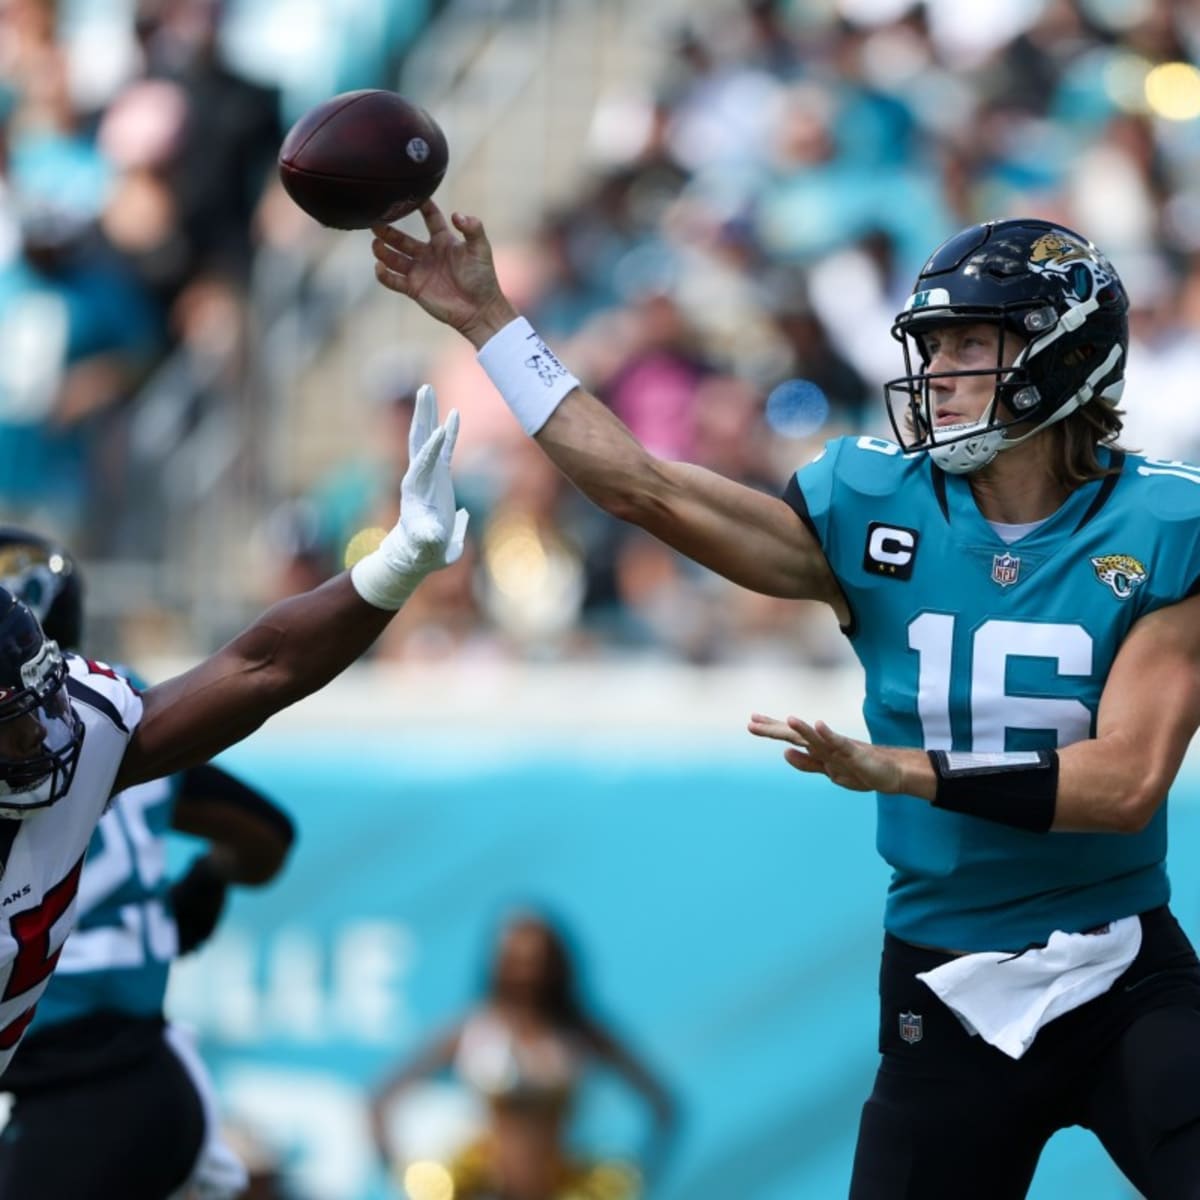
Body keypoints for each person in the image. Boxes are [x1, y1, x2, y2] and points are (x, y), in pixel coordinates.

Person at [371, 208, 1200, 1198]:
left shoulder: (1161, 522)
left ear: (1065, 355)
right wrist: (492, 323)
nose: (937, 372)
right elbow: (643, 488)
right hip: (944, 982)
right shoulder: (875, 502)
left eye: (970, 343)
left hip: (1120, 969)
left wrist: (897, 770)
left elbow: (1124, 785)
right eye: (930, 346)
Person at [0, 381, 465, 1095]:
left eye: (37, 704)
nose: (39, 735)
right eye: (11, 726)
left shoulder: (79, 728)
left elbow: (260, 668)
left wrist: (398, 562)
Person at [0, 528, 294, 1199]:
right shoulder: (116, 715)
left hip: (82, 1078)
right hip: (129, 1070)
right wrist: (207, 882)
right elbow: (264, 834)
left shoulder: (56, 749)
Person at [369, 909, 677, 1200]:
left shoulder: (579, 1034)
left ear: (556, 964)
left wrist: (630, 1180)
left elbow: (663, 1105)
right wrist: (412, 1179)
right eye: (516, 959)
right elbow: (380, 1100)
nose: (528, 971)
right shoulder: (475, 1030)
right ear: (499, 964)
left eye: (538, 960)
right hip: (484, 1190)